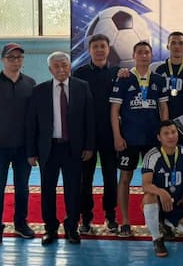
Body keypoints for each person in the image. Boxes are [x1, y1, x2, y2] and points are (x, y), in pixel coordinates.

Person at [26, 51, 95, 246]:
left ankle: (71, 227)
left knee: (73, 190)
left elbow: (89, 119)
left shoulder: (82, 87)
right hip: (48, 149)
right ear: (50, 70)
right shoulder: (39, 91)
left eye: (64, 65)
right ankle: (50, 228)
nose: (61, 69)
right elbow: (31, 123)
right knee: (47, 189)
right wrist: (31, 152)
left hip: (74, 148)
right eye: (56, 66)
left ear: (70, 66)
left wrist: (89, 145)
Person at [0, 43, 36, 247]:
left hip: (23, 149)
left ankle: (21, 224)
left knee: (23, 189)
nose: (15, 61)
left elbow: (33, 118)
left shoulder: (30, 83)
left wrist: (33, 148)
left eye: (19, 57)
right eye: (11, 57)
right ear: (2, 59)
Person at [110, 41, 169, 237]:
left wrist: (165, 135)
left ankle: (159, 220)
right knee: (125, 178)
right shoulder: (124, 78)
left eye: (147, 52)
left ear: (151, 56)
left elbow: (163, 108)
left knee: (156, 180)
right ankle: (125, 221)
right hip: (129, 139)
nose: (144, 55)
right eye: (140, 52)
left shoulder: (159, 80)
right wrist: (117, 136)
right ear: (134, 55)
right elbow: (114, 111)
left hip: (153, 139)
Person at [73, 34, 120, 235]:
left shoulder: (118, 73)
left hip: (110, 134)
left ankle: (111, 216)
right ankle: (86, 218)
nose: (99, 50)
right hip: (87, 136)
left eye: (103, 46)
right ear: (89, 50)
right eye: (95, 46)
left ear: (108, 49)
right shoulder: (79, 73)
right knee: (85, 179)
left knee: (110, 177)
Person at [141, 120, 183, 257]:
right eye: (166, 133)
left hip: (177, 204)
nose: (171, 136)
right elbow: (145, 185)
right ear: (159, 137)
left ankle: (166, 222)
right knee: (149, 197)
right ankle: (157, 238)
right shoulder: (152, 156)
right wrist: (161, 192)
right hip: (158, 203)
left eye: (173, 132)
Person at [151, 31, 183, 148]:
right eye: (173, 43)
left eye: (181, 43)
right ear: (167, 46)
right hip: (160, 124)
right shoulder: (155, 68)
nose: (177, 46)